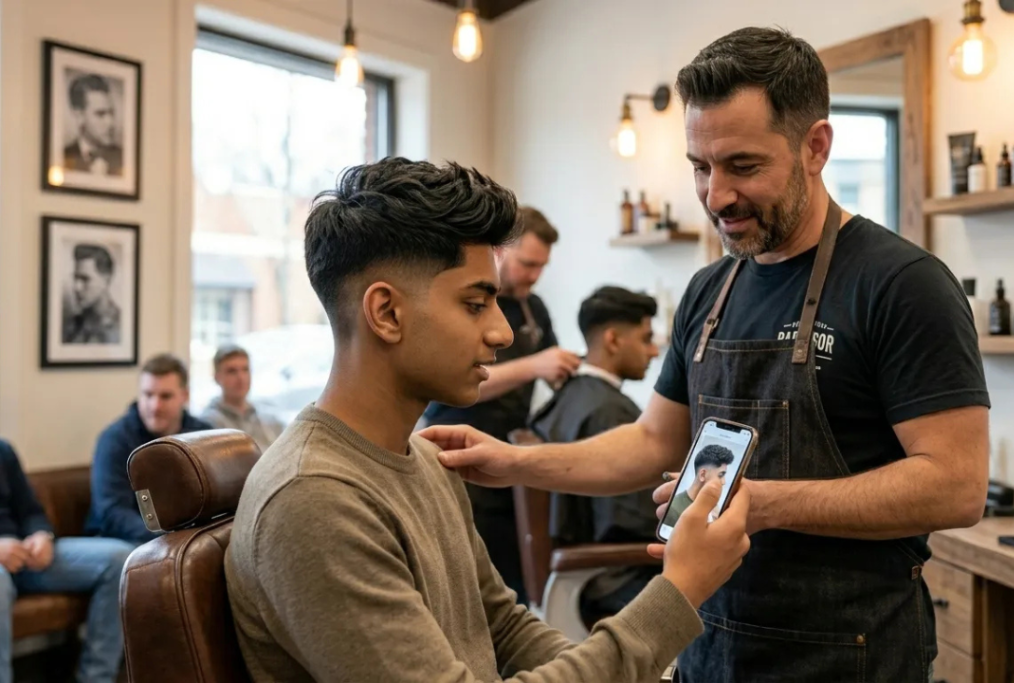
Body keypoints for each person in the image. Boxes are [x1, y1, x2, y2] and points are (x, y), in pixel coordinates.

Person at [420, 27, 990, 683]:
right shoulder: (709, 290)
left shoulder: (899, 284)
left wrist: (766, 503)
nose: (716, 195)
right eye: (700, 166)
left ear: (817, 147)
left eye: (743, 166)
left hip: (850, 652)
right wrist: (513, 462)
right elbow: (651, 442)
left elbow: (956, 484)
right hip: (710, 647)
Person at [225, 157, 751, 682]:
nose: (502, 333)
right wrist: (675, 593)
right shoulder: (314, 500)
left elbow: (503, 629)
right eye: (476, 304)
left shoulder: (428, 461)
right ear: (386, 313)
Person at [421, 205, 580, 600]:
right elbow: (458, 379)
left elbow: (550, 364)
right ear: (500, 252)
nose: (534, 275)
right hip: (457, 452)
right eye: (527, 263)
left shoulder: (534, 307)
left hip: (508, 457)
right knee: (466, 586)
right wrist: (534, 365)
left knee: (513, 587)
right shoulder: (468, 302)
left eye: (542, 266)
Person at [529, 286, 661, 624]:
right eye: (646, 339)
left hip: (577, 576)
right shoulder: (610, 413)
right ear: (613, 340)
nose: (654, 351)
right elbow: (629, 524)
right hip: (609, 578)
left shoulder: (566, 398)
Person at [0, 439, 133, 683]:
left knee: (120, 559)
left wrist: (42, 536)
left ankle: (96, 677)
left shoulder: (3, 451)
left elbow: (31, 511)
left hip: (24, 552)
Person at [85, 354, 212, 545]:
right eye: (148, 395)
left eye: (165, 396)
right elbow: (112, 513)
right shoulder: (115, 439)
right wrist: (169, 539)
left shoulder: (204, 435)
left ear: (185, 396)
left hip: (186, 540)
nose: (155, 406)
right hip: (122, 540)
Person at [200, 344, 284, 452]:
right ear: (217, 377)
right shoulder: (208, 424)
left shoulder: (271, 420)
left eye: (245, 369)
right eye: (232, 371)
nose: (241, 378)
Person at [661, 445, 734, 528]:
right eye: (720, 475)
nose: (723, 482)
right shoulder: (674, 510)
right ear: (702, 474)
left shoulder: (713, 509)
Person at [64, 74, 123, 176]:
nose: (110, 123)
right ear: (80, 116)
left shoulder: (123, 157)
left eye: (111, 113)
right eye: (100, 114)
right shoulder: (64, 156)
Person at [63, 244, 121, 344]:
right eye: (76, 278)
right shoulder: (71, 327)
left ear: (106, 280)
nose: (77, 287)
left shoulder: (122, 325)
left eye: (85, 279)